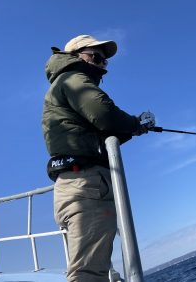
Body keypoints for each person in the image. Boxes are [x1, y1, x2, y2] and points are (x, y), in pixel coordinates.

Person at [42, 34, 155, 282]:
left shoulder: (63, 86)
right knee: (88, 274)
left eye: (104, 62)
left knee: (92, 270)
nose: (101, 65)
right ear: (75, 57)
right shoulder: (73, 78)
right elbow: (104, 114)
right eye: (95, 57)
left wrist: (132, 129)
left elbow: (98, 132)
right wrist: (136, 124)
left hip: (79, 183)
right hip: (85, 185)